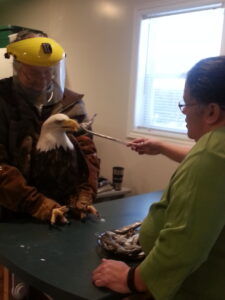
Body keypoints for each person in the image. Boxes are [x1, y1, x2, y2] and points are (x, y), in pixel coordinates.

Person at [92, 56, 225, 300]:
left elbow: (184, 246)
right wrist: (162, 146)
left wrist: (131, 279)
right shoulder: (217, 149)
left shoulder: (210, 155)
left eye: (186, 104)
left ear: (211, 111)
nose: (183, 112)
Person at [0, 30, 100, 224]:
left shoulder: (71, 103)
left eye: (48, 72)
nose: (42, 80)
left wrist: (84, 194)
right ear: (16, 66)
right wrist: (37, 204)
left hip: (63, 211)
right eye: (33, 74)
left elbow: (86, 154)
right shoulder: (2, 102)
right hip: (10, 211)